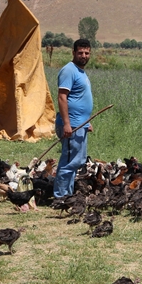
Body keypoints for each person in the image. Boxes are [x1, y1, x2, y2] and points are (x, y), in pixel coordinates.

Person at [53, 38, 93, 199]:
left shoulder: (80, 72)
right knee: (69, 161)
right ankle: (61, 196)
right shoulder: (69, 70)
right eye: (80, 52)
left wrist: (87, 123)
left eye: (87, 53)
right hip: (72, 126)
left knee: (77, 161)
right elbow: (62, 97)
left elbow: (80, 98)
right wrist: (67, 124)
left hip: (80, 125)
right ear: (73, 53)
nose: (84, 56)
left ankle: (67, 194)